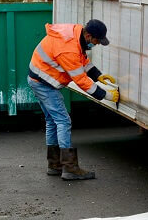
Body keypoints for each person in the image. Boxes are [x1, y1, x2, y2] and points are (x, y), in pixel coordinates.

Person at [27, 19, 118, 180]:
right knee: (63, 121)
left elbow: (82, 59)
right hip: (44, 83)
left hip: (38, 79)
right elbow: (81, 81)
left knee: (53, 121)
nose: (96, 45)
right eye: (97, 41)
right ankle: (69, 168)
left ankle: (54, 165)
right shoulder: (67, 49)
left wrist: (98, 75)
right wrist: (107, 96)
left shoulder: (76, 33)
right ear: (89, 36)